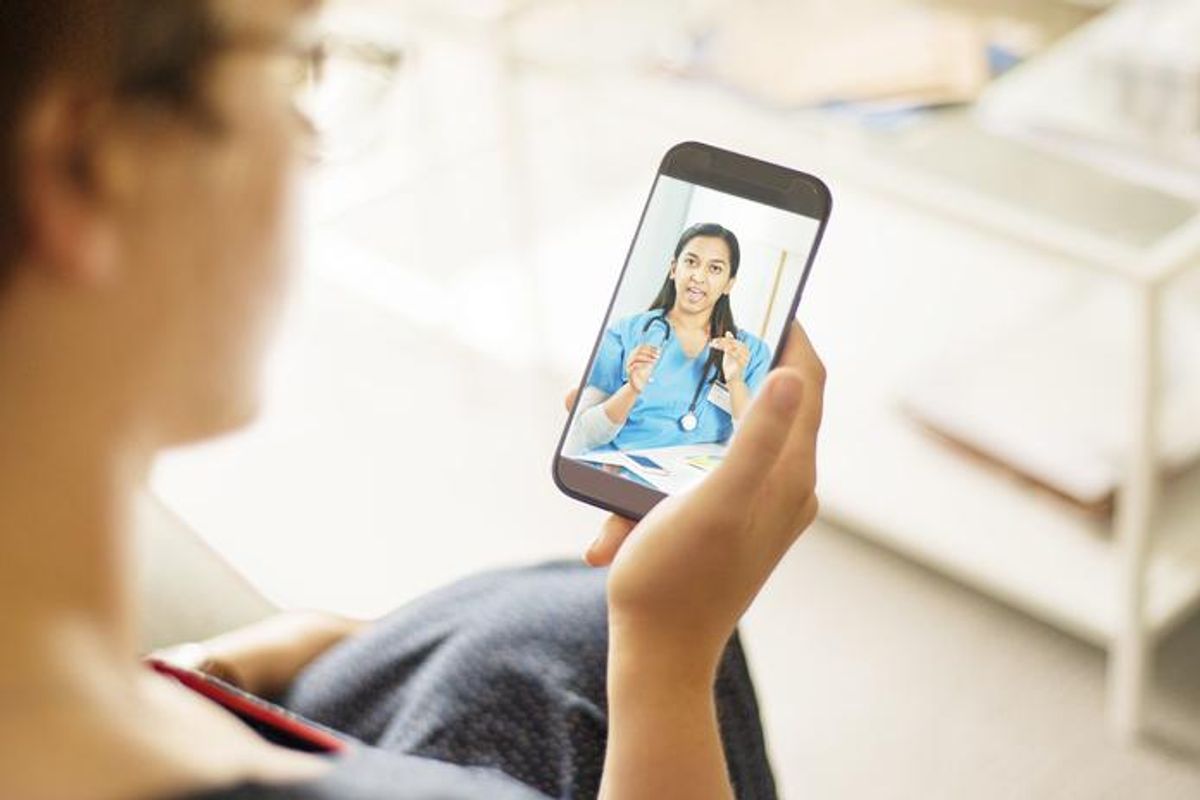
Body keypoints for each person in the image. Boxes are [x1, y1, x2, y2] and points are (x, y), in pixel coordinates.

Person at [0, 1, 826, 799]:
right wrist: (670, 658)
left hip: (198, 700)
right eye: (296, 67)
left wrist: (216, 667)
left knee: (575, 621)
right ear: (93, 162)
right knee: (613, 632)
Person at [564, 223, 772, 457]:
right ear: (674, 269)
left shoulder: (751, 353)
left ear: (729, 283)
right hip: (617, 469)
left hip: (692, 484)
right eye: (691, 262)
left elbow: (756, 447)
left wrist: (735, 382)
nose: (698, 276)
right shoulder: (626, 333)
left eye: (714, 268)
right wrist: (631, 389)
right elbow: (585, 435)